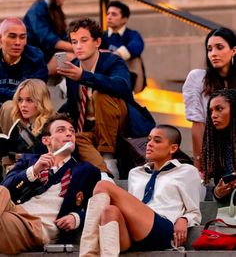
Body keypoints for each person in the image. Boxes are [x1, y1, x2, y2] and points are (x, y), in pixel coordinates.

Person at [79, 124, 202, 256]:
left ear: (173, 148)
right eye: (149, 139)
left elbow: (194, 210)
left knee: (103, 185)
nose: (149, 144)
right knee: (110, 211)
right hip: (134, 233)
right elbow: (131, 207)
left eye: (157, 140)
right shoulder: (135, 173)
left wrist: (184, 219)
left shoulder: (187, 171)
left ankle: (87, 253)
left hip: (162, 229)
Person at [0, 113, 100, 254]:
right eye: (61, 130)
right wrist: (34, 171)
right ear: (46, 140)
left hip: (36, 227)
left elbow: (100, 205)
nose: (69, 134)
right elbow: (6, 188)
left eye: (72, 131)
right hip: (13, 211)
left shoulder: (86, 171)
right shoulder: (30, 160)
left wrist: (77, 217)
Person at [57, 18, 133, 179]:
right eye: (74, 41)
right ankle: (105, 173)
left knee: (101, 93)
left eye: (84, 40)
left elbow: (122, 86)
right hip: (89, 127)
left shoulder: (113, 61)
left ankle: (108, 158)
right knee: (75, 138)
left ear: (97, 42)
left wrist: (85, 76)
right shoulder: (73, 66)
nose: (78, 46)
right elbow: (72, 104)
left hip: (117, 124)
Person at [182, 27, 236, 171]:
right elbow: (197, 123)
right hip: (215, 148)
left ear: (233, 51)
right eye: (210, 49)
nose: (213, 54)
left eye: (219, 47)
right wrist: (199, 163)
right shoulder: (197, 78)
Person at [0, 79, 54, 173]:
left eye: (29, 100)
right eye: (20, 100)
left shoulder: (53, 125)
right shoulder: (19, 125)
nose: (23, 105)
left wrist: (25, 159)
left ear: (41, 101)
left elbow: (56, 159)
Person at [23, 0, 74, 75]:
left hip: (50, 56)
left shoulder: (54, 10)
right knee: (72, 59)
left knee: (81, 56)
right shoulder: (37, 10)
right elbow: (48, 39)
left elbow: (63, 35)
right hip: (36, 61)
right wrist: (75, 47)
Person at [0, 17, 48, 106]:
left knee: (10, 106)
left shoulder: (35, 58)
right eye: (12, 36)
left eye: (22, 37)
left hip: (21, 110)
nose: (18, 42)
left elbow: (30, 95)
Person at [101, 0, 146, 93]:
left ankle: (130, 91)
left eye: (114, 14)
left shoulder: (132, 34)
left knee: (135, 59)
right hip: (105, 74)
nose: (109, 17)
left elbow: (137, 46)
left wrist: (117, 54)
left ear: (124, 19)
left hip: (125, 75)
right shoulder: (102, 36)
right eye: (108, 13)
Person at [202, 88, 236, 204]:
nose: (213, 115)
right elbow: (218, 191)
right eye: (211, 111)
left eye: (219, 109)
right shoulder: (218, 145)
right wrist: (218, 192)